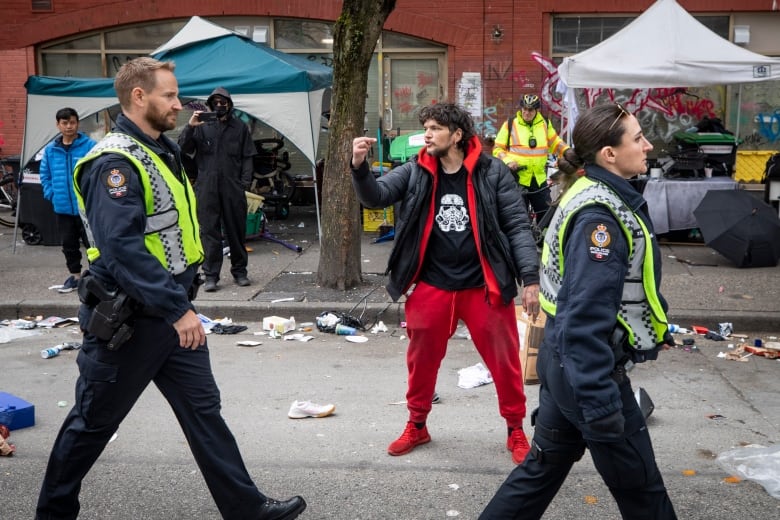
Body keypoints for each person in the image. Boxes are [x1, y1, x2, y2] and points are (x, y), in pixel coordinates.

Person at [35, 57, 306, 520]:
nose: (178, 104)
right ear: (138, 97)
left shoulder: (160, 149)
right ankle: (53, 513)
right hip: (134, 320)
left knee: (204, 413)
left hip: (171, 312)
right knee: (92, 423)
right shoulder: (113, 163)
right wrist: (176, 309)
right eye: (169, 96)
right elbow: (121, 250)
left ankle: (246, 509)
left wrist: (182, 302)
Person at [480, 103, 677, 519]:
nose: (648, 145)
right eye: (638, 138)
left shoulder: (588, 191)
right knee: (644, 493)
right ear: (609, 153)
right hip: (588, 372)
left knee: (541, 471)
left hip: (563, 363)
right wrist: (601, 402)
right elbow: (584, 315)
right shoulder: (598, 216)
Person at [351, 102, 541, 464]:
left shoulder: (492, 172)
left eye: (435, 128)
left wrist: (529, 279)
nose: (427, 134)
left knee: (504, 362)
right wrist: (359, 168)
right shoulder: (416, 170)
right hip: (433, 284)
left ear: (456, 135)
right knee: (420, 360)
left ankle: (515, 428)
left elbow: (518, 226)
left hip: (483, 285)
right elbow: (375, 196)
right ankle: (417, 424)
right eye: (426, 127)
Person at [178, 86, 256, 292]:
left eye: (224, 103)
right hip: (207, 187)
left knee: (236, 230)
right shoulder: (202, 126)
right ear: (210, 105)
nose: (220, 106)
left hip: (232, 186)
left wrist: (244, 184)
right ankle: (211, 275)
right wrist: (191, 126)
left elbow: (247, 156)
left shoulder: (239, 127)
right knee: (209, 231)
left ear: (230, 105)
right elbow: (183, 149)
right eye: (216, 103)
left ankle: (240, 272)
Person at [39, 107, 96, 293]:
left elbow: (97, 173)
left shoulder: (90, 146)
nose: (69, 126)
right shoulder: (50, 150)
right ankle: (76, 277)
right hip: (62, 207)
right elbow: (45, 175)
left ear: (77, 123)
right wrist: (52, 194)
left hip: (86, 208)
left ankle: (97, 277)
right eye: (64, 123)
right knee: (69, 244)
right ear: (58, 125)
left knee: (92, 244)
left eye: (72, 122)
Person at [492, 93, 569, 224]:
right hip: (518, 178)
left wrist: (568, 153)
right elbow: (497, 149)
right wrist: (508, 161)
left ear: (536, 110)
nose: (527, 113)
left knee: (545, 213)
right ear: (521, 108)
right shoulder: (510, 124)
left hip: (538, 178)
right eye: (525, 109)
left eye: (530, 110)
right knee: (519, 216)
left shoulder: (544, 123)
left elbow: (556, 143)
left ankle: (540, 240)